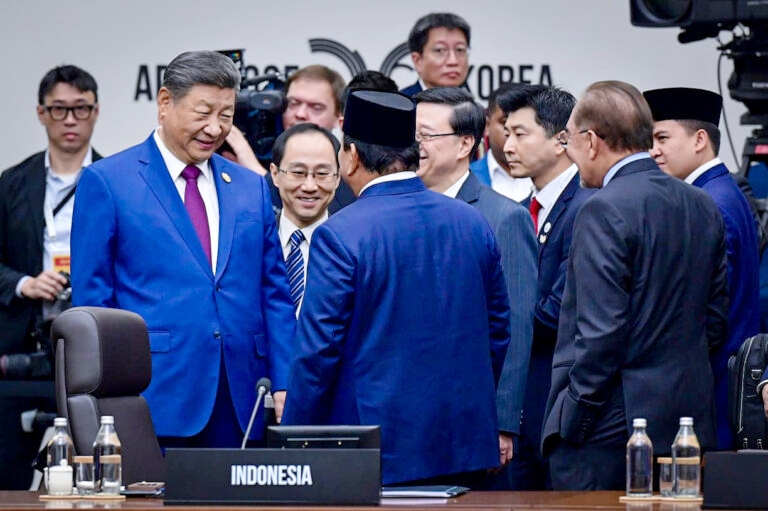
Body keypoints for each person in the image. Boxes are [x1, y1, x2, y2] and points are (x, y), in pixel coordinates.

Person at [282, 89, 511, 487]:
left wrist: (292, 442)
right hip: (463, 443)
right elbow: (498, 334)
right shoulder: (472, 222)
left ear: (351, 156)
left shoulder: (342, 233)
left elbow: (318, 352)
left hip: (378, 451)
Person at [71, 50, 296, 448]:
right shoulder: (108, 182)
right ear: (164, 103)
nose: (214, 128)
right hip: (153, 394)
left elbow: (274, 295)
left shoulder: (250, 187)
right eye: (203, 112)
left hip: (242, 395)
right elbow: (93, 302)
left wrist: (284, 381)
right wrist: (104, 396)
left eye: (225, 115)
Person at [542, 80, 728, 490]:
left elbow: (599, 333)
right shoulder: (702, 204)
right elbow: (714, 321)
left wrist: (575, 416)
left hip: (611, 430)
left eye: (570, 141)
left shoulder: (601, 209)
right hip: (687, 421)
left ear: (592, 141)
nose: (570, 154)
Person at [413, 86, 536, 482]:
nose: (415, 145)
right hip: (409, 417)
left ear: (466, 142)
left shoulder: (502, 217)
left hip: (471, 419)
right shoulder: (395, 209)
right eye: (411, 134)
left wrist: (502, 422)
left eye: (427, 135)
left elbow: (516, 328)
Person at [0, 64, 100, 489]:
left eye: (81, 109)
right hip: (24, 342)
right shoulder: (11, 183)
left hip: (93, 345)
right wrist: (24, 283)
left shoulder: (117, 180)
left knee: (97, 466)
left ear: (96, 112)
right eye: (60, 110)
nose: (71, 120)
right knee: (9, 468)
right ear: (41, 113)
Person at [644, 87, 760, 450]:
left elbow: (708, 311)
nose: (653, 151)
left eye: (662, 138)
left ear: (699, 139)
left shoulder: (707, 202)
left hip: (712, 386)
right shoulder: (723, 191)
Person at [499, 84, 594, 489]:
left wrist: (496, 324)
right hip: (521, 407)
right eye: (506, 132)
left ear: (561, 141)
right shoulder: (521, 211)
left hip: (562, 406)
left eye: (521, 134)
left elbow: (559, 311)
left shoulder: (588, 207)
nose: (507, 145)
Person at [224, 65, 355, 214]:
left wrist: (257, 173)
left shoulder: (347, 171)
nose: (300, 114)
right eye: (293, 103)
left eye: (316, 107)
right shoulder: (258, 150)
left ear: (338, 117)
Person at [269, 123, 340, 316]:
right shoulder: (253, 242)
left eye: (322, 174)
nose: (310, 186)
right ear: (275, 174)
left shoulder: (352, 249)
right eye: (298, 173)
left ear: (337, 178)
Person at [470, 83, 533, 202]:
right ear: (487, 125)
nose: (513, 132)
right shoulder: (466, 178)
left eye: (522, 126)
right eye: (505, 122)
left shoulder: (548, 177)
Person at [401, 13, 471, 97]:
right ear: (417, 61)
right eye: (440, 50)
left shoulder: (475, 108)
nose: (453, 61)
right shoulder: (399, 106)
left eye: (460, 50)